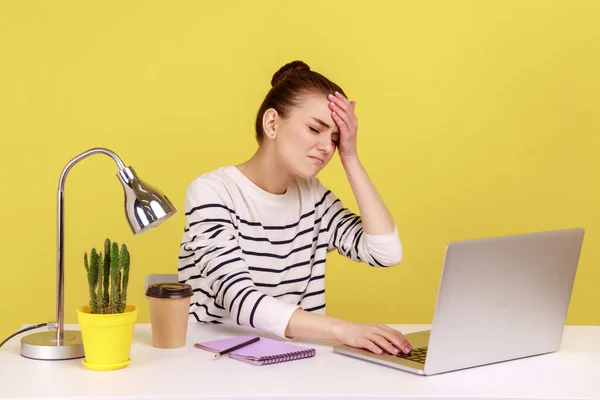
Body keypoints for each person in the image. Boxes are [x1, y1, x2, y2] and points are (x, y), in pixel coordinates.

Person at [178, 60, 412, 356]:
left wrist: (350, 158)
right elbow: (239, 299)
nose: (328, 147)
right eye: (315, 129)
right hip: (215, 358)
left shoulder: (313, 197)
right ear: (272, 123)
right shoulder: (212, 191)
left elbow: (386, 253)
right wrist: (343, 330)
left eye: (336, 139)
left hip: (295, 359)